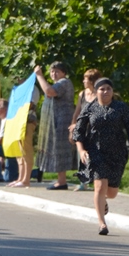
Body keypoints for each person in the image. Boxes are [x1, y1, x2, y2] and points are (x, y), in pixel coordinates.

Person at [73, 78, 129, 235]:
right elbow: (78, 131)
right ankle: (102, 223)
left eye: (108, 88)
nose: (105, 91)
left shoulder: (120, 108)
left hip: (117, 153)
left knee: (112, 192)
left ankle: (104, 202)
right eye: (102, 89)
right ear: (96, 91)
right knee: (100, 186)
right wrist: (81, 150)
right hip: (96, 151)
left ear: (112, 91)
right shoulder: (89, 108)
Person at [34, 61, 78, 189]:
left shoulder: (64, 82)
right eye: (52, 71)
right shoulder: (60, 83)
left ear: (64, 73)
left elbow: (49, 91)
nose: (53, 73)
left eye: (57, 71)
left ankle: (62, 181)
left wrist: (39, 76)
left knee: (60, 150)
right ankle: (61, 180)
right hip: (57, 121)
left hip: (62, 121)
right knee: (58, 149)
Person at [7, 76, 41, 188]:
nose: (19, 80)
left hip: (27, 120)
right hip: (17, 120)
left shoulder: (33, 89)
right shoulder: (18, 89)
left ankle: (26, 179)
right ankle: (20, 178)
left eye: (21, 77)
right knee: (19, 151)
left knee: (26, 149)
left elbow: (30, 104)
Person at [70, 68, 101, 191]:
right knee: (82, 155)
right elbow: (77, 112)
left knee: (94, 154)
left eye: (86, 79)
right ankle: (84, 181)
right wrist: (73, 126)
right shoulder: (82, 94)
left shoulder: (99, 94)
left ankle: (96, 180)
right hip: (82, 128)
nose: (83, 81)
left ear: (92, 81)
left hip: (94, 129)